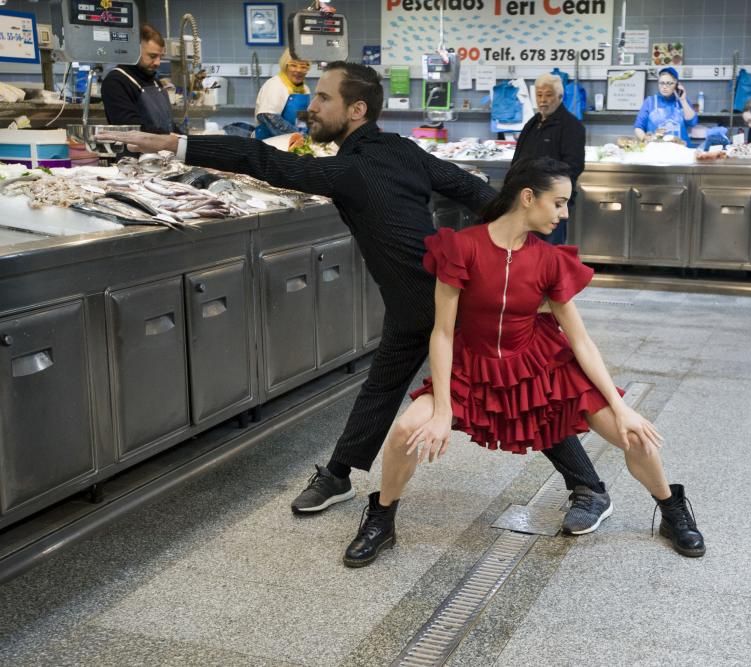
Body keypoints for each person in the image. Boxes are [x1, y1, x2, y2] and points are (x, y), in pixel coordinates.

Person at [98, 62, 612, 536]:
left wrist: (175, 143)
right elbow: (477, 193)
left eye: (322, 98)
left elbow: (264, 160)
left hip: (452, 305)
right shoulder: (396, 151)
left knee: (517, 395)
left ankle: (589, 487)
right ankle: (340, 475)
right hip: (413, 303)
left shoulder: (352, 170)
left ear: (356, 110)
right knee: (381, 388)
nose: (311, 107)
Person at [342, 158, 706, 567]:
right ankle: (381, 518)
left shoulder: (549, 259)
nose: (564, 213)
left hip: (539, 365)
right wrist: (442, 410)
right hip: (473, 368)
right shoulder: (463, 247)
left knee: (635, 435)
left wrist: (622, 407)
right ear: (528, 197)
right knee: (407, 430)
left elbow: (580, 339)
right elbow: (442, 333)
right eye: (559, 203)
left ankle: (672, 511)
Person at [511, 73, 585, 245]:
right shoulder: (531, 124)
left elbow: (573, 167)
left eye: (548, 94)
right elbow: (517, 160)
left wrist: (544, 187)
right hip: (527, 202)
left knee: (549, 251)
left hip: (552, 203)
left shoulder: (572, 126)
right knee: (525, 250)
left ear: (559, 96)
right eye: (539, 94)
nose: (543, 100)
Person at [100, 24, 174, 134]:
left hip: (164, 150)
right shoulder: (115, 82)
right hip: (137, 151)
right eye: (152, 56)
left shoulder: (154, 81)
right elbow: (131, 129)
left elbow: (169, 125)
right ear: (134, 50)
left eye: (160, 57)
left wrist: (186, 141)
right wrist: (171, 139)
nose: (158, 63)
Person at [254, 49, 312, 140]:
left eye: (303, 67)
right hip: (269, 142)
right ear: (285, 66)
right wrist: (297, 137)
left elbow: (302, 119)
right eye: (293, 65)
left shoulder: (305, 89)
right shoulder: (274, 85)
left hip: (294, 143)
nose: (299, 70)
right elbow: (268, 117)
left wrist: (306, 135)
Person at [633, 67, 697, 147]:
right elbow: (638, 127)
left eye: (669, 83)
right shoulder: (650, 102)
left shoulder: (682, 101)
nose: (664, 86)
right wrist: (646, 139)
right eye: (661, 83)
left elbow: (692, 122)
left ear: (676, 85)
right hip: (655, 151)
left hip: (680, 152)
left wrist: (683, 100)